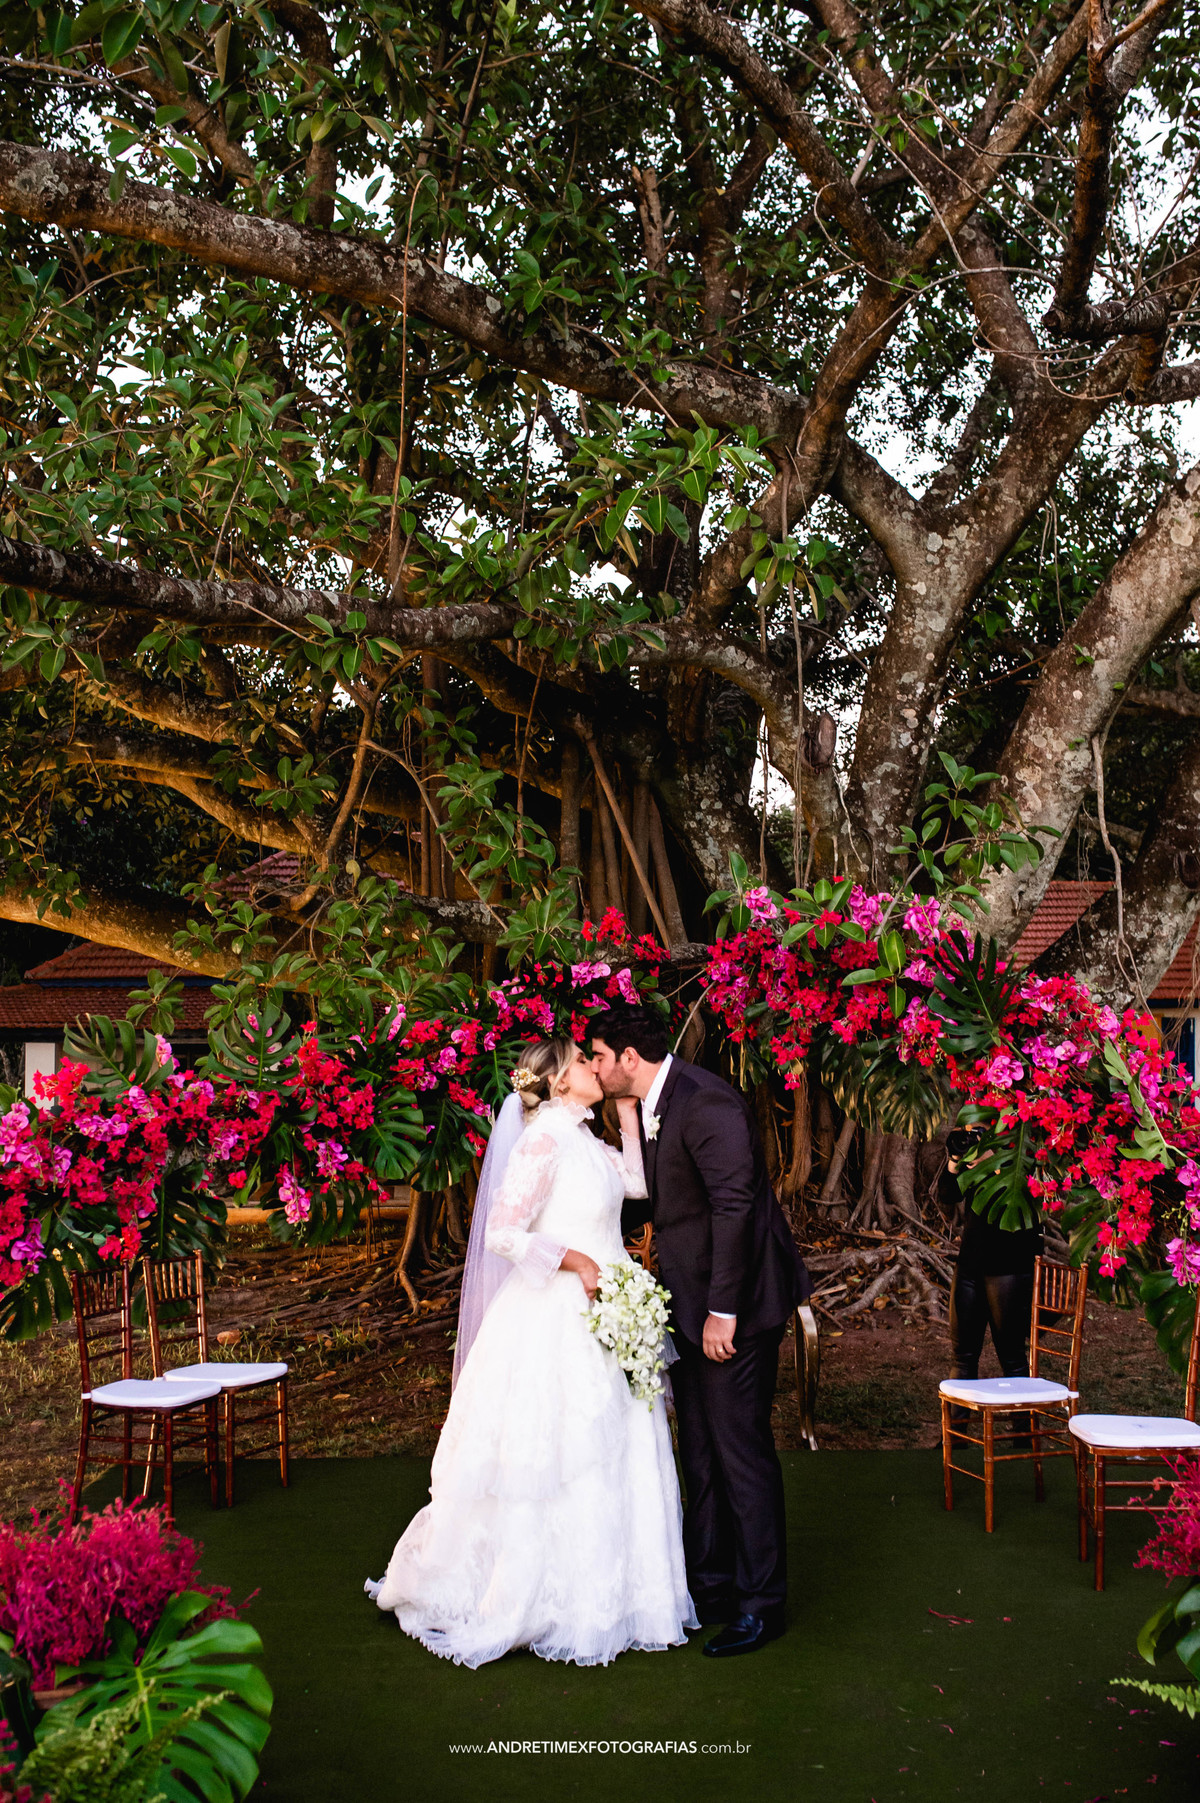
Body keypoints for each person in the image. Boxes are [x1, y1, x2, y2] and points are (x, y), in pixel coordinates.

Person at [366, 1035, 695, 1667]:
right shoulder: (542, 1139)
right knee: (557, 1451)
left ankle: (619, 1597)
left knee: (615, 1442)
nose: (594, 1067)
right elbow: (502, 1232)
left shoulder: (582, 1138)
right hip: (555, 1312)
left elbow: (632, 1182)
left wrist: (627, 1113)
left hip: (606, 1311)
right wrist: (576, 1261)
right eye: (582, 1062)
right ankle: (536, 1598)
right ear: (558, 1081)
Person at [590, 1005, 811, 1659]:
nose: (595, 1067)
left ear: (629, 1057)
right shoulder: (654, 1102)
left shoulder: (706, 1101)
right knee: (703, 1454)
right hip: (688, 1307)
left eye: (599, 1055)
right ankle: (712, 1584)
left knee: (740, 1454)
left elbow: (736, 1206)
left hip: (734, 1309)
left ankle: (760, 1604)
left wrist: (723, 1311)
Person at [944, 1129, 1043, 1382]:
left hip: (1009, 1266)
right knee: (962, 1357)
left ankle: (1022, 1422)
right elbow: (948, 1195)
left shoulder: (1027, 1145)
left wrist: (991, 1158)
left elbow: (1027, 1192)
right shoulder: (976, 1158)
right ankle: (955, 1424)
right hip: (969, 1266)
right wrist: (956, 1159)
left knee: (1012, 1358)